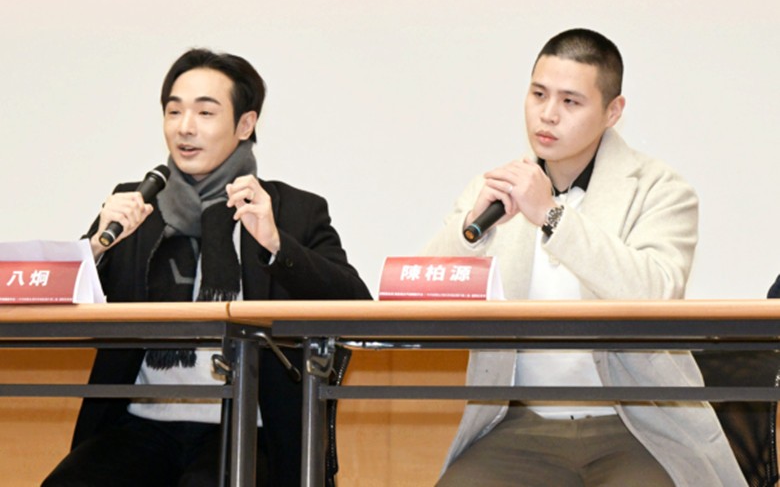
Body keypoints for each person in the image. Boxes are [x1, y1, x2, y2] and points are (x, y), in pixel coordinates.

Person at [423, 29, 747, 487]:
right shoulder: (496, 189)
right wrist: (470, 232)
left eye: (570, 101)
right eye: (538, 94)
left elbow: (655, 293)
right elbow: (425, 291)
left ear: (612, 112)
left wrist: (551, 216)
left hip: (636, 426)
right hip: (519, 426)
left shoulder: (660, 190)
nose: (548, 114)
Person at [43, 48, 372, 487]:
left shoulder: (291, 210)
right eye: (173, 111)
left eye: (205, 112)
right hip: (140, 423)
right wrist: (96, 248)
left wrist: (276, 243)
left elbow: (355, 305)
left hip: (249, 426)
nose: (185, 127)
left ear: (245, 124)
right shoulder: (135, 206)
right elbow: (65, 302)